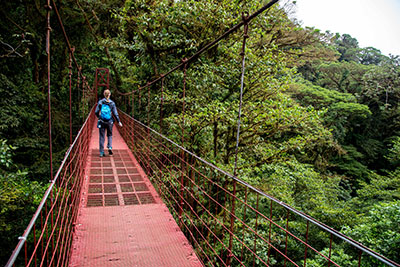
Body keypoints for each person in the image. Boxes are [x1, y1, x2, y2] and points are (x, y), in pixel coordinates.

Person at [95, 89, 123, 157]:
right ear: (109, 94)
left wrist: (99, 117)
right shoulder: (112, 103)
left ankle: (101, 152)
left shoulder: (100, 102)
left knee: (102, 136)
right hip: (109, 122)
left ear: (104, 94)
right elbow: (115, 113)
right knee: (109, 135)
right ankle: (110, 147)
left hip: (102, 121)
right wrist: (118, 121)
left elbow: (96, 112)